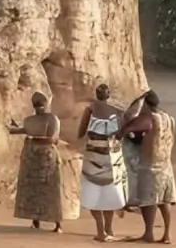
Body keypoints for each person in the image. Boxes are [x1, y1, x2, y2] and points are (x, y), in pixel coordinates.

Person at [9, 91, 76, 233]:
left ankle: (55, 223)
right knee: (39, 189)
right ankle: (41, 221)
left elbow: (50, 139)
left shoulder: (48, 119)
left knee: (49, 188)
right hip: (37, 157)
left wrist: (31, 137)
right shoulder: (45, 119)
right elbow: (48, 138)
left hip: (41, 156)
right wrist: (14, 128)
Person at [115, 90, 176, 244]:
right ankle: (167, 234)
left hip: (150, 164)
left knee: (148, 200)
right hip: (166, 163)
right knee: (164, 200)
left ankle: (148, 233)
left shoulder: (148, 118)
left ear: (146, 104)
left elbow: (125, 130)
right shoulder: (169, 119)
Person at [78, 84, 127, 242]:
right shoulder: (118, 109)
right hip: (113, 155)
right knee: (109, 191)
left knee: (92, 191)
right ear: (109, 95)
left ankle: (100, 230)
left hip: (94, 155)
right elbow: (123, 132)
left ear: (96, 94)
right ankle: (109, 228)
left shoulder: (90, 109)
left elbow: (80, 132)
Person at [121, 92, 148, 212]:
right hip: (133, 140)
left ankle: (131, 199)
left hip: (133, 140)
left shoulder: (138, 109)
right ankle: (131, 199)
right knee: (133, 171)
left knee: (131, 171)